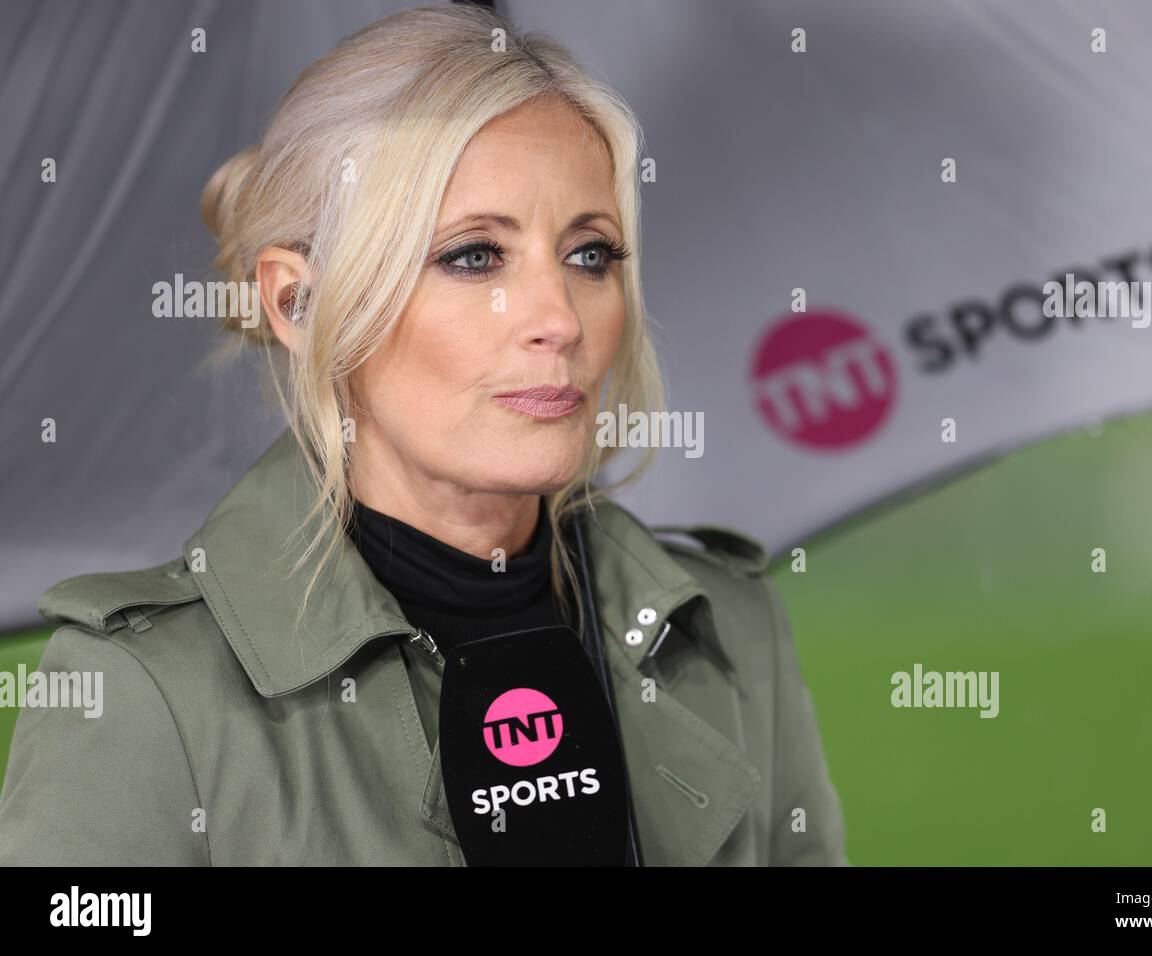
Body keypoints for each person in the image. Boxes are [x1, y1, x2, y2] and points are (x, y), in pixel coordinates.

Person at [0, 3, 847, 866]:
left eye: (590, 255)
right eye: (474, 256)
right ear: (299, 302)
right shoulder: (139, 692)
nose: (558, 318)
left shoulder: (730, 631)